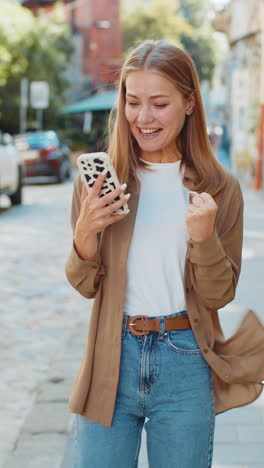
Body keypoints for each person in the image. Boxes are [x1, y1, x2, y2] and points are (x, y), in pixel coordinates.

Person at [62, 40, 264, 468]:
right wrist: (86, 232)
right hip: (110, 356)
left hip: (185, 360)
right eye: (133, 102)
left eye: (159, 103)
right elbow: (84, 284)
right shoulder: (102, 182)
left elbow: (218, 296)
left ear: (189, 103)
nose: (143, 118)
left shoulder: (219, 188)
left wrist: (204, 237)